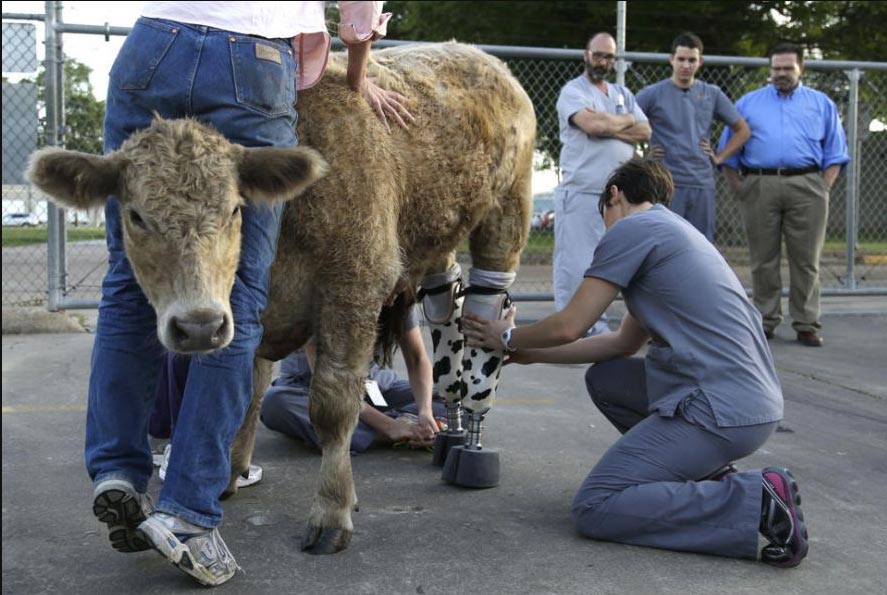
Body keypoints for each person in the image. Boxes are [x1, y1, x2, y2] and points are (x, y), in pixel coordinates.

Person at [87, 2, 412, 587]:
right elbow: (358, 16)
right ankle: (186, 512)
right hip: (252, 52)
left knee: (127, 279)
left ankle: (116, 469)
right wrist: (358, 75)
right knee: (238, 295)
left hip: (151, 43)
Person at [463, 158, 809, 567]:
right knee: (609, 379)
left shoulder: (633, 228)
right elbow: (621, 345)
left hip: (723, 409)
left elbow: (571, 324)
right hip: (749, 404)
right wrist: (528, 354)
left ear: (615, 195)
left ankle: (756, 500)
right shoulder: (674, 233)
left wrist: (505, 337)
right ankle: (706, 476)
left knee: (597, 505)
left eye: (604, 217)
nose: (606, 228)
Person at [718, 42, 849, 347]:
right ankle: (764, 320)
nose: (781, 74)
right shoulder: (748, 103)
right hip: (759, 185)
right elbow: (728, 149)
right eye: (776, 68)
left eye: (788, 68)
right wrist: (740, 186)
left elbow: (836, 152)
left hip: (808, 185)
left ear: (801, 68)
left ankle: (806, 323)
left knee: (807, 260)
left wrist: (823, 186)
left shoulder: (821, 103)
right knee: (763, 259)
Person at [552, 32, 651, 335]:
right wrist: (623, 122)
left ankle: (599, 325)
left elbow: (645, 131)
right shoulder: (573, 91)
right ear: (586, 54)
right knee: (576, 264)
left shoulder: (622, 93)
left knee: (610, 261)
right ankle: (570, 330)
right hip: (582, 191)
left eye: (609, 56)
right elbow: (591, 125)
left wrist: (609, 125)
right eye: (598, 55)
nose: (603, 61)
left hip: (618, 196)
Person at [260, 306, 445, 452]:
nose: (392, 296)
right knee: (276, 403)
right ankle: (389, 432)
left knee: (450, 398)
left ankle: (393, 428)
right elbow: (332, 384)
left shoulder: (402, 297)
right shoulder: (324, 296)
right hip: (319, 391)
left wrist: (425, 412)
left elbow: (417, 358)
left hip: (375, 385)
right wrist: (390, 427)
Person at [636, 32, 751, 242]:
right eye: (681, 59)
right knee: (664, 241)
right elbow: (627, 122)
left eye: (692, 60)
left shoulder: (712, 93)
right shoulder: (652, 93)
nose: (686, 65)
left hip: (701, 181)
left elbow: (743, 130)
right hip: (665, 181)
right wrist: (643, 155)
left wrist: (720, 156)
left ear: (700, 61)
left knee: (700, 245)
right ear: (672, 58)